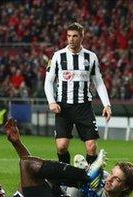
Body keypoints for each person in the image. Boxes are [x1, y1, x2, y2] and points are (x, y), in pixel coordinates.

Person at [44, 22, 112, 165]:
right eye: (69, 36)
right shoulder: (57, 56)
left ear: (82, 37)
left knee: (91, 147)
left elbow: (98, 82)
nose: (71, 39)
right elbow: (48, 82)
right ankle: (67, 177)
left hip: (83, 107)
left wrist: (107, 105)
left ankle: (90, 180)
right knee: (61, 146)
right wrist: (52, 101)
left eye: (75, 36)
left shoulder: (91, 57)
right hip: (63, 106)